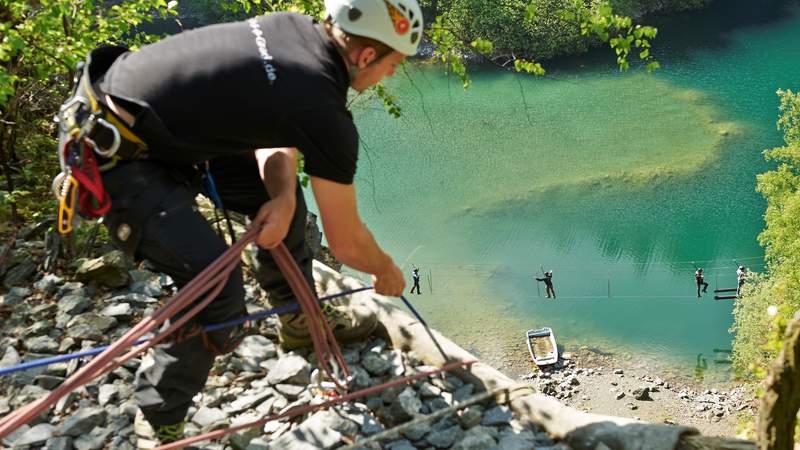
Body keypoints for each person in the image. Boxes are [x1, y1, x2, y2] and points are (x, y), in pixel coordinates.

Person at [66, 0, 424, 445]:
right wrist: (385, 269)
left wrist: (283, 197)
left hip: (144, 129)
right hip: (112, 159)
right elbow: (346, 242)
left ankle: (298, 319)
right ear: (367, 56)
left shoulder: (294, 33)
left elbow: (271, 132)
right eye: (394, 65)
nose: (391, 75)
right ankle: (160, 422)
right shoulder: (324, 112)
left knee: (279, 201)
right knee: (218, 291)